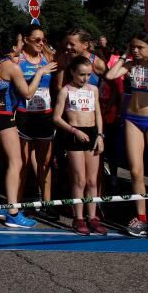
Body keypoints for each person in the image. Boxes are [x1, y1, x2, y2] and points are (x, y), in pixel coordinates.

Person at [105, 31, 148, 241]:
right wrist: (126, 55)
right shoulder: (130, 65)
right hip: (132, 119)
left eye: (140, 47)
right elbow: (110, 75)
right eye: (133, 46)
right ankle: (141, 218)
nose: (136, 50)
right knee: (136, 172)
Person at [0, 31, 38, 229]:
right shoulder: (11, 67)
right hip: (5, 117)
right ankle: (13, 211)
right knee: (16, 162)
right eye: (21, 41)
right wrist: (40, 72)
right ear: (13, 46)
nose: (22, 45)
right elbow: (28, 93)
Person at [52, 56, 106, 235]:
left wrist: (99, 135)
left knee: (92, 181)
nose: (85, 78)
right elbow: (56, 118)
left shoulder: (93, 90)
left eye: (89, 75)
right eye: (82, 74)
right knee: (80, 179)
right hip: (74, 136)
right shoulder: (65, 91)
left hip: (92, 134)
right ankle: (79, 217)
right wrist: (74, 131)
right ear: (73, 72)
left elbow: (98, 113)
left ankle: (93, 217)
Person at [14, 25, 58, 206]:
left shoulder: (47, 58)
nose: (41, 43)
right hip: (24, 115)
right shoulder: (18, 61)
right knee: (22, 163)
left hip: (44, 115)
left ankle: (47, 203)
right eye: (37, 39)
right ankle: (16, 204)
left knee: (45, 162)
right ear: (25, 40)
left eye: (43, 39)